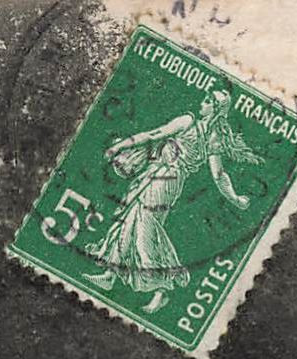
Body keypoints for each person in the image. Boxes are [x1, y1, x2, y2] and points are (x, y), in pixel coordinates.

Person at [83, 89, 260, 314]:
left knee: (145, 226)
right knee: (130, 217)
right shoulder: (205, 131)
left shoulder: (196, 126)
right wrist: (235, 198)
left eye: (208, 100)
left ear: (215, 109)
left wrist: (234, 197)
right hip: (156, 173)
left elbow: (155, 136)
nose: (202, 102)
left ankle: (162, 287)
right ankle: (110, 275)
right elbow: (156, 136)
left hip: (167, 179)